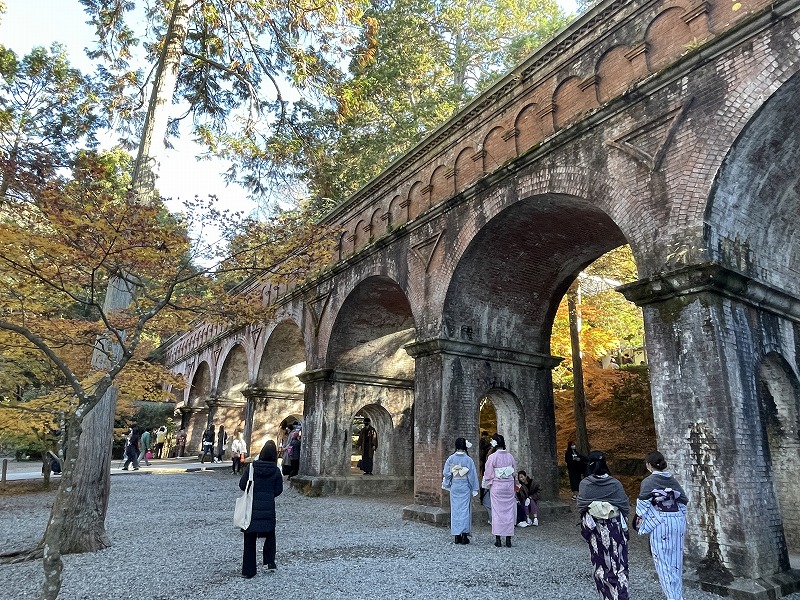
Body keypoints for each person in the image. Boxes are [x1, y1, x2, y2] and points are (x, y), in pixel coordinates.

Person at [634, 451, 688, 600]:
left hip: (661, 523)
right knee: (676, 561)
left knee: (663, 563)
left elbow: (642, 506)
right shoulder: (671, 479)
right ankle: (677, 595)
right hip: (677, 521)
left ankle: (673, 597)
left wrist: (638, 520)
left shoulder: (649, 482)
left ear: (649, 465)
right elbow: (684, 500)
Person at [577, 450, 631, 600]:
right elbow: (625, 507)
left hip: (597, 530)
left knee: (601, 567)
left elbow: (581, 505)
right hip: (615, 528)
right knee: (619, 567)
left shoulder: (586, 484)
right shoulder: (615, 484)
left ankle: (606, 596)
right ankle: (620, 595)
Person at [239, 440, 284, 578]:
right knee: (270, 533)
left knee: (249, 538)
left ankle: (248, 571)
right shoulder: (276, 471)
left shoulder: (252, 467)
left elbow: (242, 485)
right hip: (268, 507)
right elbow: (279, 490)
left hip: (251, 508)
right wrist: (269, 495)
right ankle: (269, 562)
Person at [442, 437, 480, 544]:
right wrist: (474, 488)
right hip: (464, 486)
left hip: (455, 485)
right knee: (464, 511)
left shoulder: (451, 459)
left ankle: (456, 535)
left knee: (455, 510)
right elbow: (472, 475)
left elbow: (446, 473)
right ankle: (464, 535)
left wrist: (447, 483)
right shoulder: (468, 459)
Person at [482, 433, 516, 547]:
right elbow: (513, 471)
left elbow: (488, 473)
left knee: (497, 512)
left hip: (497, 485)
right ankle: (508, 538)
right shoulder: (510, 456)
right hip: (509, 486)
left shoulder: (492, 457)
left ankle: (498, 539)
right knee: (508, 512)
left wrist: (490, 483)